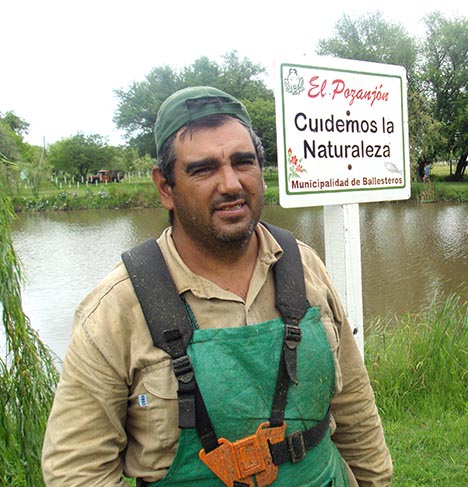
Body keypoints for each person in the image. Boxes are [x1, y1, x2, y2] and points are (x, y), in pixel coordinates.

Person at [42, 86, 393, 487]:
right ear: (165, 187)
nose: (230, 184)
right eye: (203, 169)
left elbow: (354, 408)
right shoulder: (117, 307)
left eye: (243, 162)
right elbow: (76, 468)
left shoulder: (304, 266)